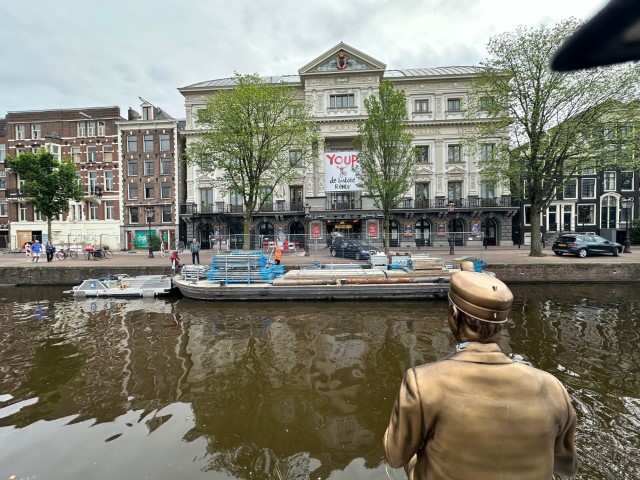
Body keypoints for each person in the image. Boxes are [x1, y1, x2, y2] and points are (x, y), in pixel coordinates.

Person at [384, 271, 577, 479]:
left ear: (454, 315)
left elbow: (395, 456)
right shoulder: (551, 387)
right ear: (501, 324)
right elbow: (567, 467)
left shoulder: (422, 383)